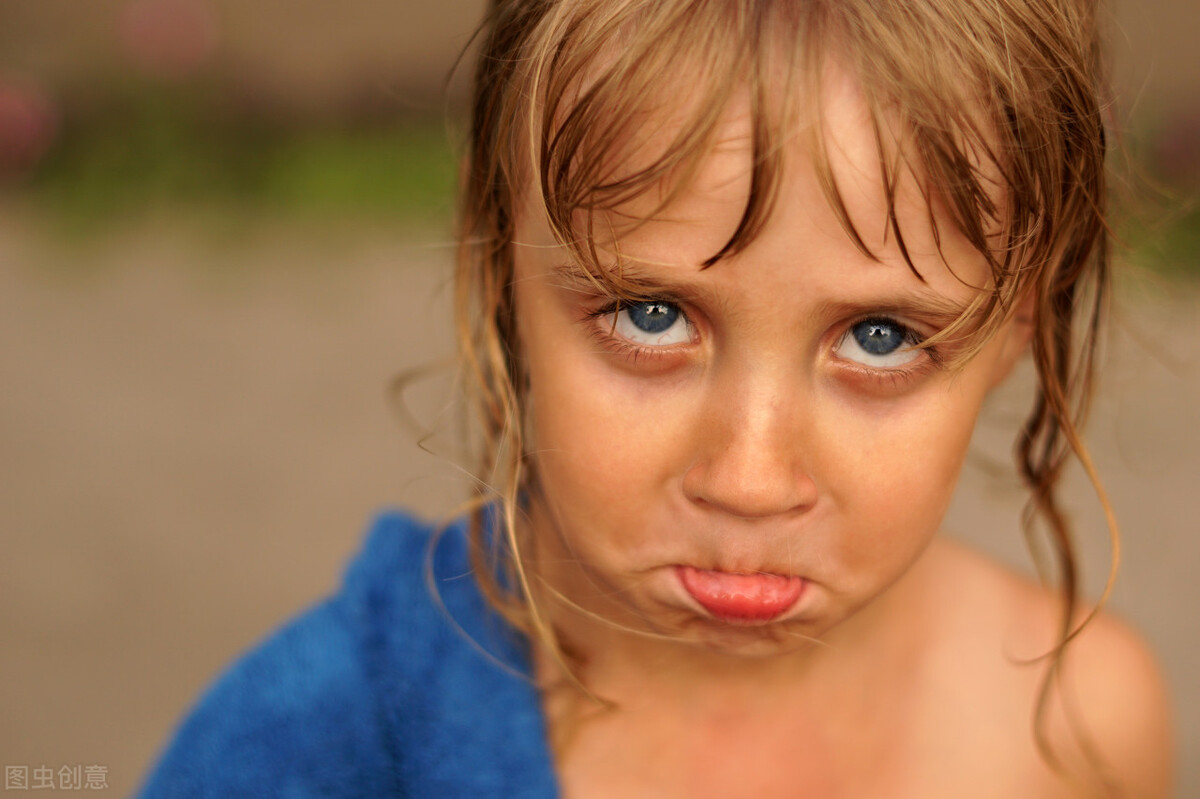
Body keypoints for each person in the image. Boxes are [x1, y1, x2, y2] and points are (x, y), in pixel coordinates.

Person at [138, 0, 1174, 796]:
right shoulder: (314, 747)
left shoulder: (1080, 726)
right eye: (650, 315)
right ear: (497, 252)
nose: (750, 481)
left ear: (1024, 316)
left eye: (880, 335)